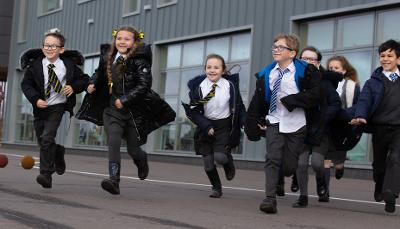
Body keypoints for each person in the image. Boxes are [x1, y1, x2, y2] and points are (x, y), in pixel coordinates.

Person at [80, 26, 175, 195]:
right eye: (119, 38)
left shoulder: (140, 61)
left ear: (134, 43)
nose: (122, 41)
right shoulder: (108, 58)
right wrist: (92, 83)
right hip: (111, 110)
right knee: (113, 140)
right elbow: (99, 73)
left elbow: (144, 86)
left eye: (127, 39)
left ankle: (141, 159)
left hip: (133, 112)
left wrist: (124, 100)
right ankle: (114, 180)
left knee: (133, 149)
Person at [245, 34, 321, 214]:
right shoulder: (267, 74)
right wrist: (251, 123)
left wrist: (291, 100)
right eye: (274, 47)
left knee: (288, 167)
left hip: (297, 124)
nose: (276, 50)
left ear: (292, 53)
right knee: (272, 158)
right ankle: (269, 199)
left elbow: (316, 95)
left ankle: (285, 175)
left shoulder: (307, 72)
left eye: (281, 47)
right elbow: (257, 101)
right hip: (274, 121)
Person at [20, 30, 89, 188]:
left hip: (58, 106)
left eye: (53, 46)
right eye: (46, 45)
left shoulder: (68, 65)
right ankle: (57, 152)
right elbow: (26, 85)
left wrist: (73, 86)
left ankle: (46, 174)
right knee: (43, 141)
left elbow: (84, 80)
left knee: (47, 137)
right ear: (42, 47)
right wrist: (36, 99)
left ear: (61, 49)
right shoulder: (35, 65)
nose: (49, 48)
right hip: (40, 107)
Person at [182, 54, 246, 198]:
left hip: (224, 126)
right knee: (208, 164)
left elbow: (239, 107)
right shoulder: (198, 88)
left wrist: (244, 122)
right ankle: (216, 187)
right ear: (205, 69)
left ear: (223, 70)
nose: (212, 70)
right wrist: (206, 126)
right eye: (209, 67)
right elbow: (194, 112)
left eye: (216, 67)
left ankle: (228, 163)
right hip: (205, 125)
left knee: (220, 158)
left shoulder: (230, 86)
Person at [351, 39, 400, 213]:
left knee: (395, 159)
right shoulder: (373, 82)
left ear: (398, 59)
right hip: (380, 127)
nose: (385, 59)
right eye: (382, 55)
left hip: (398, 129)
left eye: (390, 55)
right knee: (379, 165)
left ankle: (390, 194)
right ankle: (380, 185)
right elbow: (364, 101)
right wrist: (361, 116)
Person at [291, 46, 342, 207]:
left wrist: (323, 116)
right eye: (304, 59)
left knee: (318, 163)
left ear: (318, 63)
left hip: (321, 130)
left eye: (312, 59)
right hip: (301, 129)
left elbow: (336, 104)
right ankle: (303, 197)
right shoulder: (293, 80)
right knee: (300, 163)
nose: (308, 62)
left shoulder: (325, 83)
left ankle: (321, 182)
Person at [327, 56, 360, 179]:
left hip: (343, 125)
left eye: (336, 67)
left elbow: (357, 104)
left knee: (339, 156)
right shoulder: (325, 84)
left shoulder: (352, 86)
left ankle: (340, 166)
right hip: (328, 124)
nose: (333, 70)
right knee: (327, 156)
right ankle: (323, 189)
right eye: (330, 68)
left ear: (344, 70)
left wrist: (347, 115)